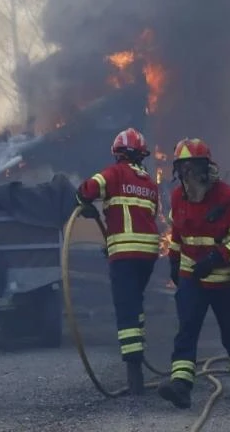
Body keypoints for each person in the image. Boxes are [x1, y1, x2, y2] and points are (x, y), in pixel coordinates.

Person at [157, 138, 230, 409]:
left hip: (226, 280)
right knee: (186, 329)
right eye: (183, 168)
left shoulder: (227, 197)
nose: (188, 174)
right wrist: (175, 261)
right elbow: (177, 232)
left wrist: (216, 257)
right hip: (192, 278)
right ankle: (181, 387)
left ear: (206, 167)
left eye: (193, 167)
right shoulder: (178, 196)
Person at [76, 128, 160, 395]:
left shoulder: (114, 173)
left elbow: (88, 188)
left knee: (126, 311)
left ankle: (134, 373)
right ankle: (139, 356)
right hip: (147, 254)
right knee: (136, 305)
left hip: (124, 254)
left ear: (119, 154)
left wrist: (83, 202)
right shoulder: (149, 183)